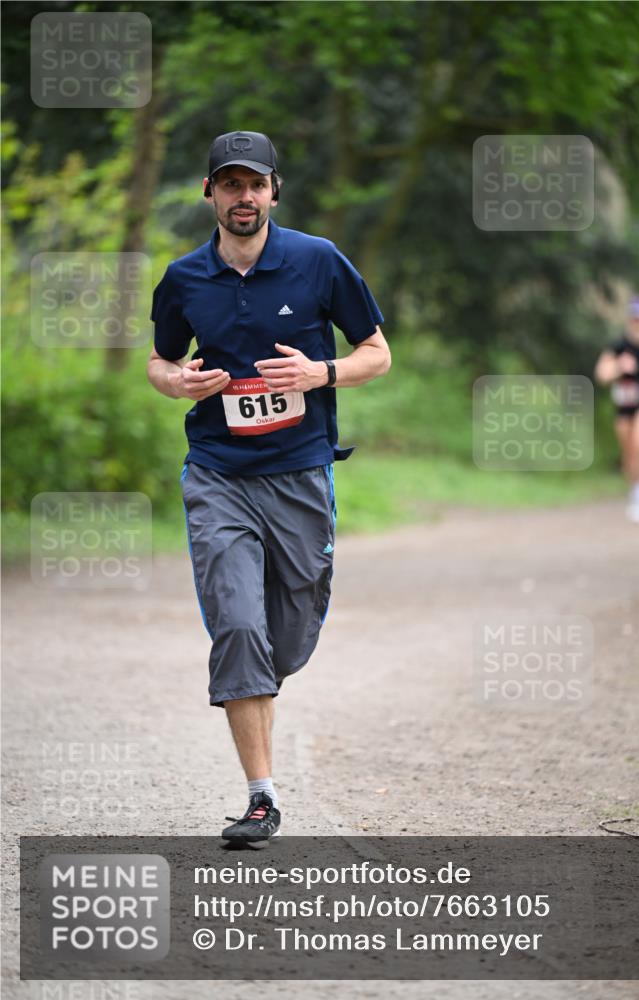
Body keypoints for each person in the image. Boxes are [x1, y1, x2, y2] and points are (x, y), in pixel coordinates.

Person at [147, 131, 390, 847]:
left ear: (273, 191)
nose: (242, 196)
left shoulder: (317, 261)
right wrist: (179, 383)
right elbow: (159, 365)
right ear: (209, 193)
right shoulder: (184, 278)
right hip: (218, 474)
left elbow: (377, 354)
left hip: (299, 474)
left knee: (289, 622)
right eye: (229, 184)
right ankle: (261, 797)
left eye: (254, 184)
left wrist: (323, 373)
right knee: (238, 625)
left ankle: (252, 679)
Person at [594, 297, 639, 523]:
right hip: (625, 406)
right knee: (629, 453)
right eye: (634, 318)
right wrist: (618, 366)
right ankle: (637, 493)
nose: (638, 322)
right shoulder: (618, 347)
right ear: (629, 320)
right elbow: (601, 375)